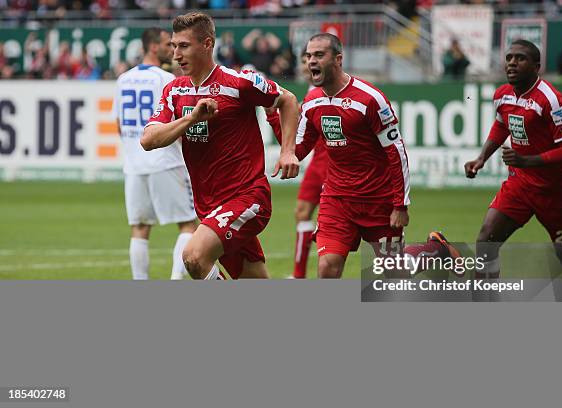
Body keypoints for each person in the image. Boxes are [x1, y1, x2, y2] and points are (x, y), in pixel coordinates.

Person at [141, 12, 300, 280]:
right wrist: (192, 118)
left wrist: (287, 151)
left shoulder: (239, 82)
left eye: (184, 46)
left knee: (193, 257)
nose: (176, 54)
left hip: (248, 198)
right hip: (210, 208)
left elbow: (288, 100)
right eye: (173, 46)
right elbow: (148, 140)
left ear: (207, 44)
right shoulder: (174, 91)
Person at [464, 39, 562, 283]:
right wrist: (481, 158)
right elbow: (501, 124)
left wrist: (528, 160)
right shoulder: (502, 95)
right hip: (520, 185)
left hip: (555, 191)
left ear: (537, 66)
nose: (512, 63)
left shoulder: (551, 100)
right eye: (509, 58)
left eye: (520, 58)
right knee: (486, 240)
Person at [293, 33, 411, 279]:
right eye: (308, 56)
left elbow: (396, 151)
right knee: (327, 268)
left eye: (319, 55)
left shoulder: (371, 99)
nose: (311, 61)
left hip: (378, 200)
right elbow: (298, 149)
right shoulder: (312, 101)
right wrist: (276, 112)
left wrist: (400, 205)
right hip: (337, 198)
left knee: (394, 276)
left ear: (338, 59)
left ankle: (435, 251)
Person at [113, 27, 199, 280]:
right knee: (187, 225)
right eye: (167, 44)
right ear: (153, 47)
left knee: (139, 229)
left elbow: (119, 125)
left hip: (133, 165)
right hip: (166, 161)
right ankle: (175, 280)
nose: (172, 50)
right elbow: (179, 120)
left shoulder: (123, 79)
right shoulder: (165, 79)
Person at [266, 49, 329, 279]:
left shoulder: (324, 92)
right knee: (302, 212)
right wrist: (273, 116)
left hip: (333, 163)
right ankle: (298, 275)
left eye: (311, 60)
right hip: (318, 161)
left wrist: (274, 116)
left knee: (335, 225)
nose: (306, 65)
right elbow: (293, 145)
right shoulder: (313, 93)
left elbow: (291, 144)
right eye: (304, 61)